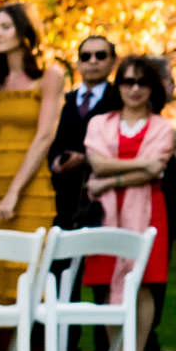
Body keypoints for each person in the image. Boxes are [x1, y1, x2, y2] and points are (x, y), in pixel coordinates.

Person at [84, 55, 176, 351]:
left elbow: (154, 171)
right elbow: (97, 162)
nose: (135, 89)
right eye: (128, 82)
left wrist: (110, 180)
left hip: (149, 211)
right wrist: (141, 165)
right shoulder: (100, 123)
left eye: (142, 82)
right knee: (110, 281)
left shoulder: (163, 127)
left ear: (152, 88)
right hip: (108, 213)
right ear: (118, 86)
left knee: (144, 283)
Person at [0, 3, 66, 299]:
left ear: (24, 32)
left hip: (30, 188)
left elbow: (44, 136)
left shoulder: (49, 75)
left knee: (28, 276)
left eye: (5, 27)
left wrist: (15, 191)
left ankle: (37, 347)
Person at [49, 35, 120, 231]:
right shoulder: (64, 101)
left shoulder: (120, 101)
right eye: (86, 56)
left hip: (103, 193)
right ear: (78, 64)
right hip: (61, 196)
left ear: (112, 62)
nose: (93, 61)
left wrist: (85, 159)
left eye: (100, 55)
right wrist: (55, 161)